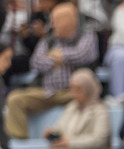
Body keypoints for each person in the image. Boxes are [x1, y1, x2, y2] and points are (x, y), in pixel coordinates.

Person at [4, 3, 98, 141]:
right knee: (15, 99)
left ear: (69, 21)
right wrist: (56, 59)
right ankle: (20, 146)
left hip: (72, 94)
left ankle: (72, 142)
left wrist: (57, 56)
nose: (52, 25)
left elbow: (82, 55)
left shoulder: (86, 35)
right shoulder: (49, 39)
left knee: (88, 102)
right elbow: (35, 62)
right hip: (48, 92)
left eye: (56, 21)